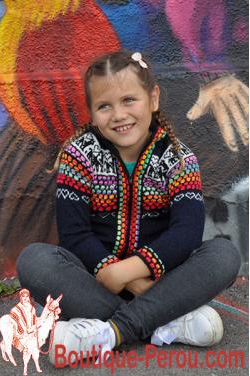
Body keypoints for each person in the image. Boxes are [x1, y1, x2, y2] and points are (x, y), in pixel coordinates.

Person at [16, 50, 241, 365]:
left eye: (129, 100)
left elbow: (186, 233)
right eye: (105, 106)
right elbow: (75, 235)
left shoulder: (178, 158)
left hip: (161, 278)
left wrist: (128, 273)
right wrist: (111, 272)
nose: (119, 115)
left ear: (154, 98)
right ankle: (169, 323)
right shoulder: (78, 156)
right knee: (34, 261)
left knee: (223, 255)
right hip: (95, 281)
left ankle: (107, 333)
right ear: (93, 114)